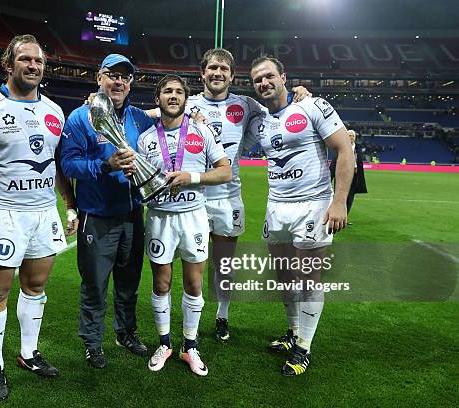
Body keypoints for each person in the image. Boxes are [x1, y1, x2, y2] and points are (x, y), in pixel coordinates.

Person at [0, 34, 78, 401]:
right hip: (1, 213)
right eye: (25, 59)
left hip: (43, 212)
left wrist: (69, 204)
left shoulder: (55, 112)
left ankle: (28, 354)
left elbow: (56, 165)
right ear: (8, 65)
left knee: (36, 287)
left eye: (38, 61)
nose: (33, 66)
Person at [186, 48, 311, 343]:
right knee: (195, 264)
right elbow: (154, 113)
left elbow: (279, 109)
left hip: (229, 198)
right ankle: (192, 322)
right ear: (202, 73)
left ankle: (222, 316)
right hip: (194, 197)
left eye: (224, 69)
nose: (218, 73)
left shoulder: (246, 104)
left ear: (232, 75)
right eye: (212, 68)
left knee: (224, 264)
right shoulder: (187, 102)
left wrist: (300, 95)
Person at [247, 56, 354, 376]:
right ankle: (293, 332)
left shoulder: (312, 106)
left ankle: (304, 347)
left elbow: (344, 149)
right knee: (283, 275)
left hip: (313, 204)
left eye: (268, 76)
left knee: (308, 278)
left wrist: (339, 202)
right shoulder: (259, 122)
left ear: (283, 77)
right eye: (257, 80)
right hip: (276, 207)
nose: (263, 83)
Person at [61, 54, 153, 369]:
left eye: (125, 77)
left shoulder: (140, 119)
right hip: (97, 218)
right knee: (95, 285)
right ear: (99, 78)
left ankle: (125, 333)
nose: (119, 81)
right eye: (112, 75)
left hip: (132, 216)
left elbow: (171, 116)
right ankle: (92, 343)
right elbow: (68, 163)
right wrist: (105, 164)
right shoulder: (79, 117)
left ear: (130, 85)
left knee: (129, 282)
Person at [138, 75, 231, 376]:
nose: (173, 96)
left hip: (193, 216)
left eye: (179, 91)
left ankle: (189, 345)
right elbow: (139, 181)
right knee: (161, 283)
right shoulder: (146, 139)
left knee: (193, 283)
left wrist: (191, 177)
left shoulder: (202, 132)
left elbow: (225, 172)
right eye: (167, 91)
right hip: (160, 217)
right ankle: (164, 343)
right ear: (158, 99)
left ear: (186, 99)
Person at [330, 129, 367, 216]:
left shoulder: (358, 148)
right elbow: (334, 162)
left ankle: (345, 217)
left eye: (353, 136)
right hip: (341, 175)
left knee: (350, 197)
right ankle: (335, 215)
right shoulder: (341, 147)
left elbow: (359, 163)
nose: (351, 138)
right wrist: (330, 177)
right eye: (350, 135)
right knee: (339, 196)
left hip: (354, 175)